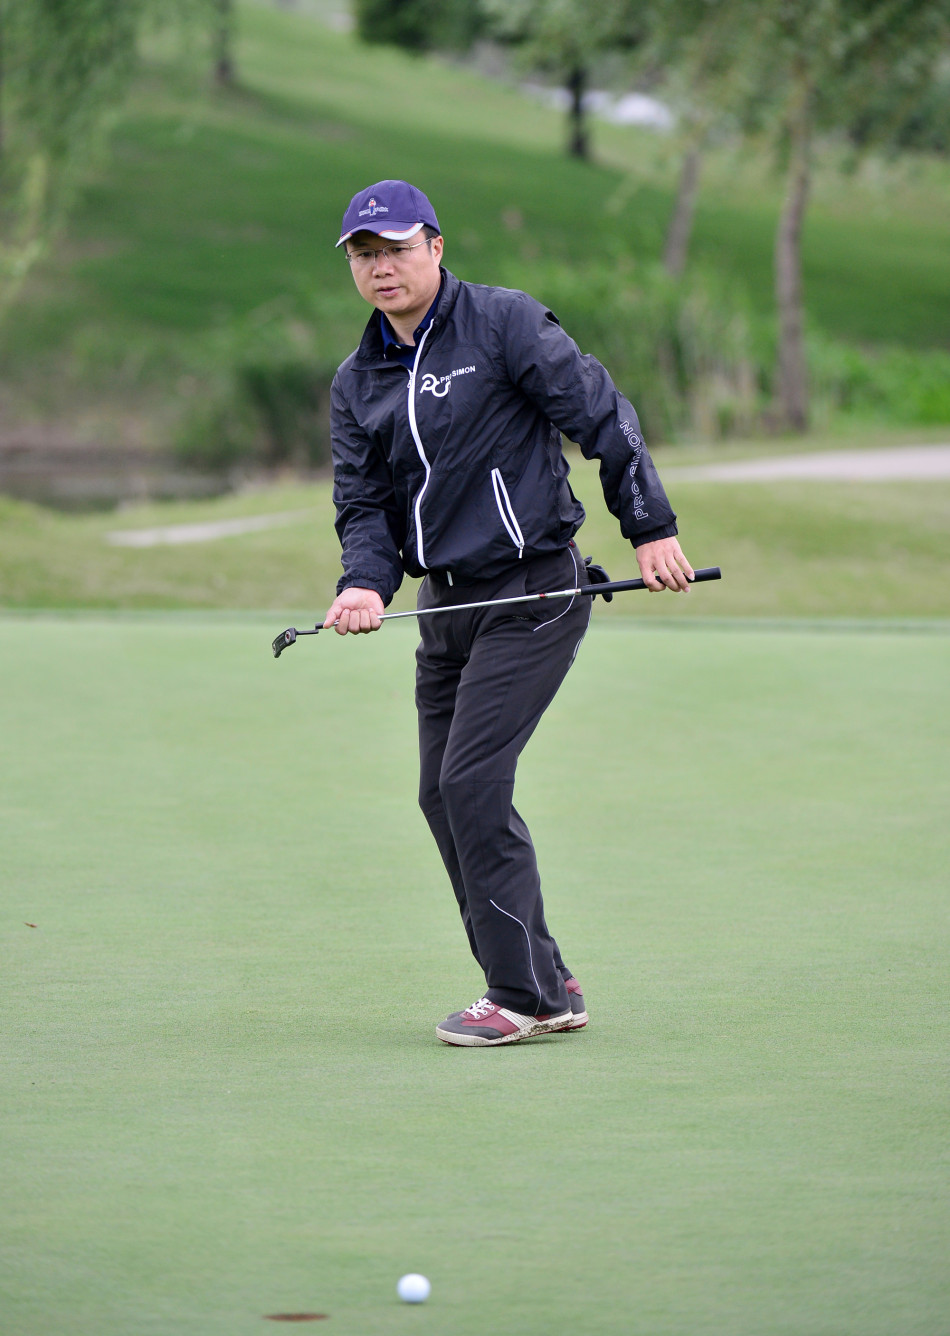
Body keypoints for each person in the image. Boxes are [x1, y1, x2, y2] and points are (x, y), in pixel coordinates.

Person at [323, 179, 693, 1047]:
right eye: (365, 256)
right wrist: (365, 581)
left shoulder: (503, 324)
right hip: (441, 607)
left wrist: (649, 526)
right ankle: (547, 980)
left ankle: (519, 997)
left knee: (472, 783)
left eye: (397, 250)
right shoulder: (357, 378)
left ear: (436, 248)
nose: (382, 269)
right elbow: (362, 502)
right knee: (438, 794)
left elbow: (603, 415)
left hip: (534, 591)